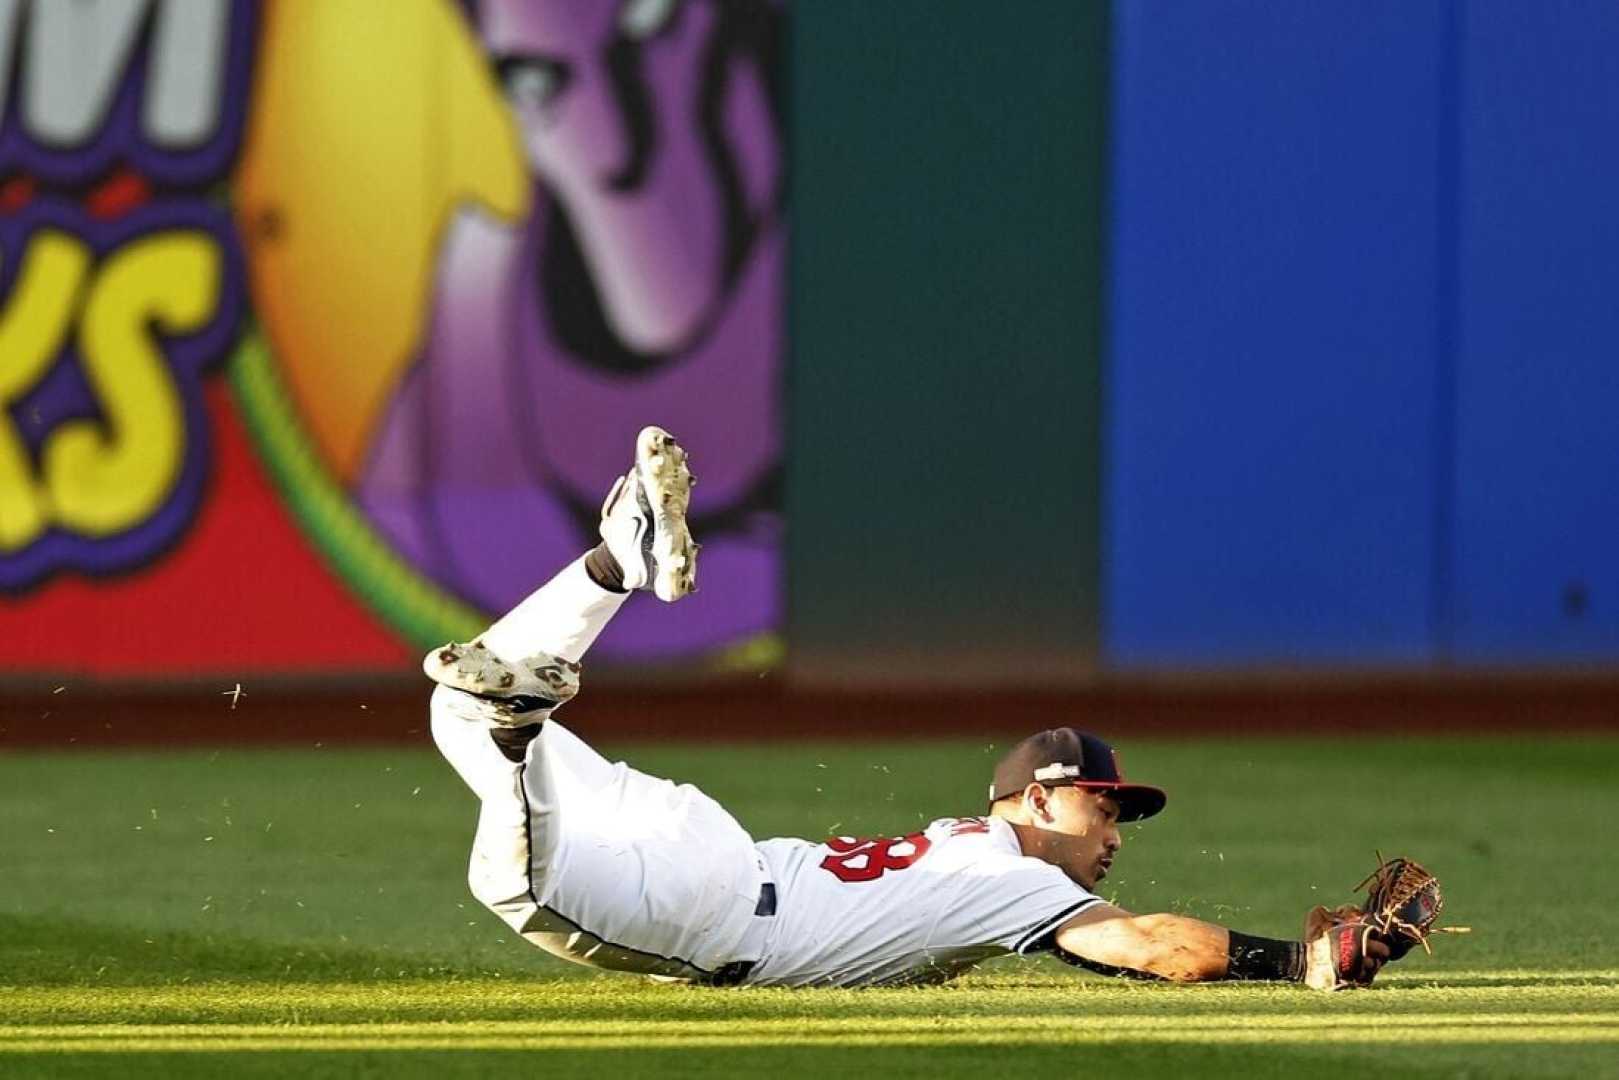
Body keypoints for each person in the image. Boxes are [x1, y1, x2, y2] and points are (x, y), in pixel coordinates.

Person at [428, 427, 1393, 990]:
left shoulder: (964, 841)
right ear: (1044, 798)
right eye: (1105, 806)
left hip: (717, 851)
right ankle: (521, 729)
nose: (1117, 831)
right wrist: (1300, 960)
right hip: (709, 906)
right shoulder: (1014, 880)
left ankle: (614, 565)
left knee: (449, 708)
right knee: (508, 873)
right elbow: (1145, 945)